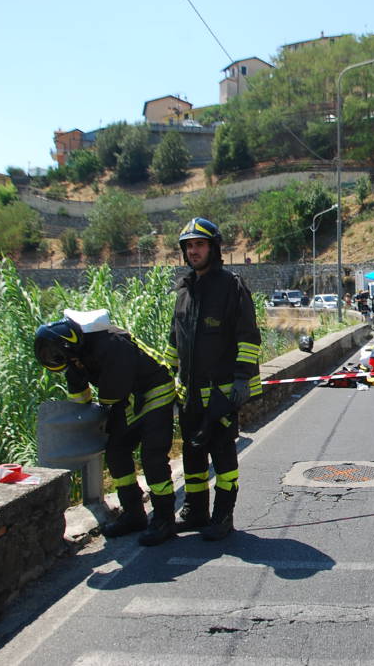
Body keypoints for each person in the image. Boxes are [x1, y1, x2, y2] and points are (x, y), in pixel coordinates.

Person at [34, 315, 177, 546]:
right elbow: (80, 399)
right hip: (129, 400)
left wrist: (104, 409)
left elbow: (114, 391)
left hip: (155, 391)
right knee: (116, 452)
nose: (63, 360)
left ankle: (164, 519)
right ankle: (134, 514)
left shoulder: (109, 344)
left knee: (153, 457)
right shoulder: (75, 356)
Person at [166, 217, 262, 541]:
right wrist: (167, 377)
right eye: (189, 246)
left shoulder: (231, 288)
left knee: (222, 458)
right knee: (192, 457)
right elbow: (173, 340)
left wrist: (241, 381)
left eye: (200, 244)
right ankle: (195, 511)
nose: (194, 251)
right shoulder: (184, 291)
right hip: (189, 396)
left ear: (214, 248)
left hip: (220, 395)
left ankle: (223, 515)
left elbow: (249, 339)